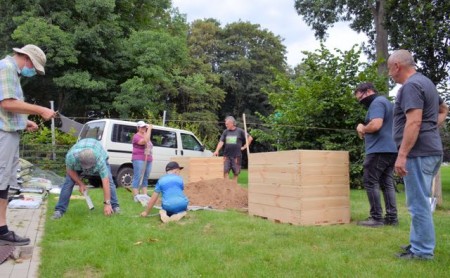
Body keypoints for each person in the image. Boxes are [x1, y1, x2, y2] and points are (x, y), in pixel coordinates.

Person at [388, 49, 448, 260]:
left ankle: (422, 251)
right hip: (430, 151)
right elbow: (444, 109)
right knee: (419, 200)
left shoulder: (411, 86)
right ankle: (417, 245)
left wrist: (402, 154)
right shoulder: (426, 82)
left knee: (417, 203)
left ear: (397, 66)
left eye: (389, 69)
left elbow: (414, 122)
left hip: (418, 153)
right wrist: (431, 128)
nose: (390, 74)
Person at [0, 45, 55, 246]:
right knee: (1, 179)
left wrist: (23, 122)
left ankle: (2, 228)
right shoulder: (6, 67)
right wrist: (40, 110)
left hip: (9, 132)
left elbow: (6, 110)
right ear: (28, 59)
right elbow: (7, 103)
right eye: (35, 67)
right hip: (3, 135)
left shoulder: (11, 71)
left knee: (4, 181)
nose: (33, 72)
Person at [354, 82, 398, 227]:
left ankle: (376, 218)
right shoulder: (386, 102)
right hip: (391, 149)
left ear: (367, 91)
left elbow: (376, 124)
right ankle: (392, 218)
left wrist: (362, 128)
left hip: (378, 150)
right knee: (387, 183)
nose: (359, 101)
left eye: (359, 97)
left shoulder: (377, 103)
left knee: (370, 181)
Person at [52, 138, 121, 219]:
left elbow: (105, 181)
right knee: (68, 182)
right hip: (80, 154)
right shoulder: (71, 157)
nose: (88, 170)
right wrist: (80, 183)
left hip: (97, 149)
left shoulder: (99, 159)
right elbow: (70, 171)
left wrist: (107, 203)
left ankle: (115, 206)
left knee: (110, 182)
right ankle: (59, 210)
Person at [131, 120, 153, 199]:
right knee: (138, 176)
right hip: (139, 158)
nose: (143, 128)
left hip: (148, 158)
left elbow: (149, 143)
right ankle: (136, 196)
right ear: (138, 128)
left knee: (145, 176)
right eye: (142, 127)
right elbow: (145, 141)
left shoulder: (146, 135)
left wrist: (147, 131)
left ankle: (144, 195)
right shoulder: (136, 136)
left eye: (145, 127)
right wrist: (149, 129)